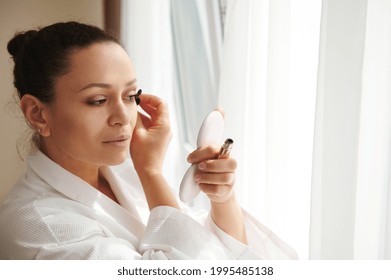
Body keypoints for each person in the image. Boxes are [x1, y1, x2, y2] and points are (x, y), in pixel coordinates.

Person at [0, 21, 297, 260]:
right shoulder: (37, 225)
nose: (123, 117)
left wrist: (222, 199)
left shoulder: (120, 173)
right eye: (98, 100)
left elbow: (221, 256)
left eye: (130, 96)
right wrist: (151, 172)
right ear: (37, 114)